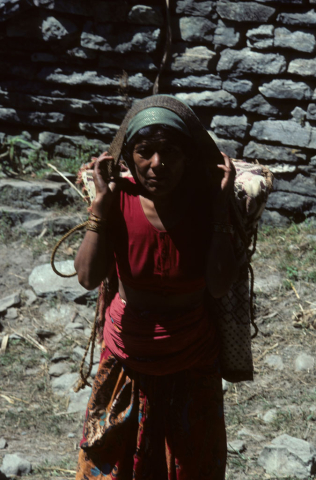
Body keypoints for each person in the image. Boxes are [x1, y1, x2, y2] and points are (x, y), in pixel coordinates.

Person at [74, 95, 239, 480]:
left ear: (189, 157)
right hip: (127, 353)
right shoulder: (118, 201)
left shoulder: (204, 205)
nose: (157, 164)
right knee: (113, 461)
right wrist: (99, 207)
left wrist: (218, 211)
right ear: (128, 157)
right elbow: (86, 277)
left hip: (191, 354)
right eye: (145, 152)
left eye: (170, 152)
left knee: (191, 466)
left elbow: (218, 285)